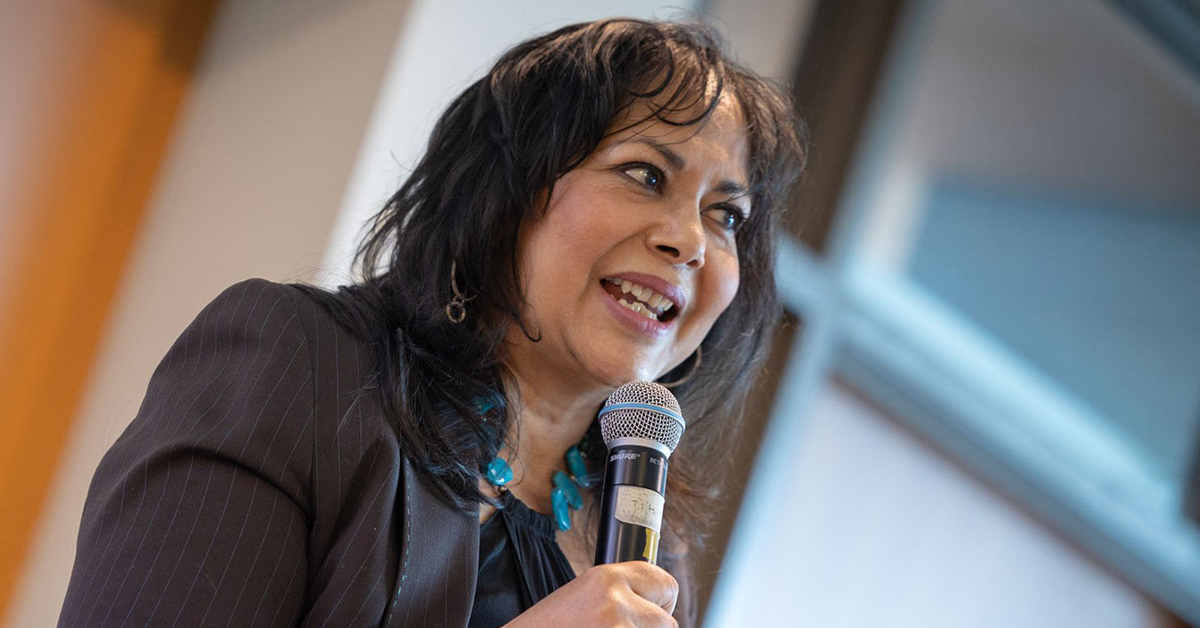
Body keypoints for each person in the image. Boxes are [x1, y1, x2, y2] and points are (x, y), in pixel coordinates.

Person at [57, 17, 806, 628]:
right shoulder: (297, 370)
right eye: (645, 174)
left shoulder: (655, 550)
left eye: (727, 215)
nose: (690, 241)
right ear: (508, 192)